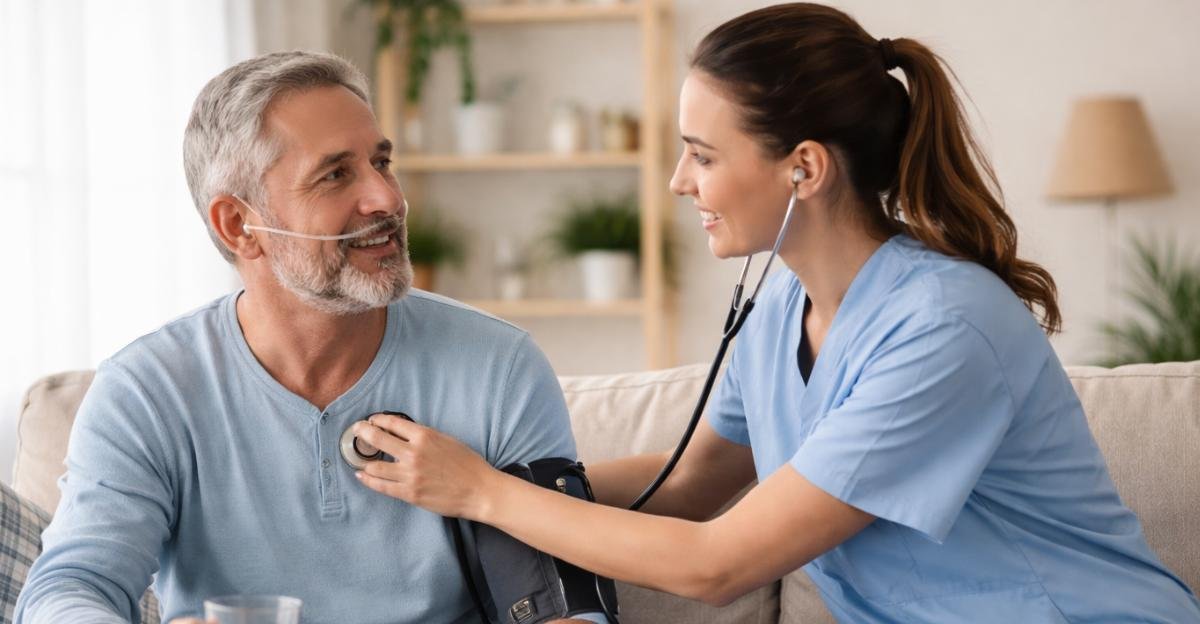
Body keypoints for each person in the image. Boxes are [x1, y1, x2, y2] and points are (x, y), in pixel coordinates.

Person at [347, 4, 1200, 622]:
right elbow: (691, 485)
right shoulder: (784, 301)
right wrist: (462, 483)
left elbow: (719, 564)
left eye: (702, 155)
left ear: (804, 168)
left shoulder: (945, 331)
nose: (681, 183)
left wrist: (488, 494)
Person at [16, 51, 602, 624]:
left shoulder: (499, 366)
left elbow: (566, 608)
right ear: (238, 225)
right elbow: (71, 586)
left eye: (381, 162)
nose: (388, 199)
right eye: (335, 174)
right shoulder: (147, 390)